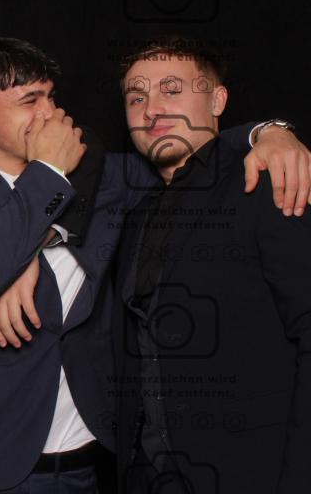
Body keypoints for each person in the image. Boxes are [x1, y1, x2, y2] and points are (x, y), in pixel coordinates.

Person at [0, 37, 311, 493]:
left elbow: (184, 153)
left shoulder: (103, 175)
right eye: (30, 100)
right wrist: (45, 179)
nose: (50, 114)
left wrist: (266, 131)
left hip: (91, 466)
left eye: (51, 97)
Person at [113, 39, 311, 493]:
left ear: (217, 100)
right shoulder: (137, 217)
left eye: (171, 90)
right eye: (136, 97)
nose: (151, 109)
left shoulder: (266, 182)